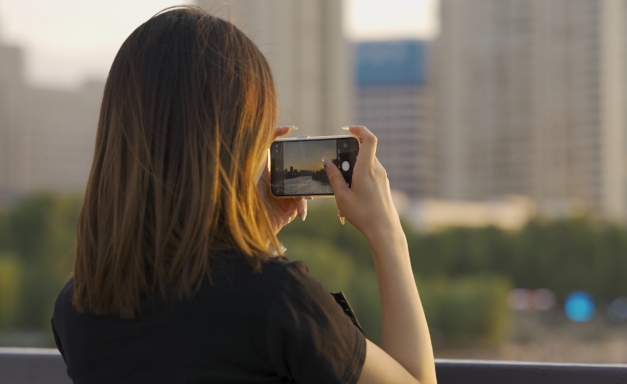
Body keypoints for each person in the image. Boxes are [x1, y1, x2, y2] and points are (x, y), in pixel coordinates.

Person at [51, 6, 436, 384]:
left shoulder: (75, 310)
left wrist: (256, 235)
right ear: (238, 147)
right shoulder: (278, 300)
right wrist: (388, 235)